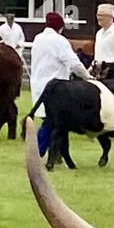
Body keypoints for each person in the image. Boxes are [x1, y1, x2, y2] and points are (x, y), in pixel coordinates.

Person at [29, 11, 91, 154]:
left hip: (38, 84)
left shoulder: (38, 38)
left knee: (57, 122)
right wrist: (87, 76)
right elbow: (73, 63)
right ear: (60, 27)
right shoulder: (60, 41)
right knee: (52, 122)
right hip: (56, 89)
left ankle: (58, 154)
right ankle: (37, 152)